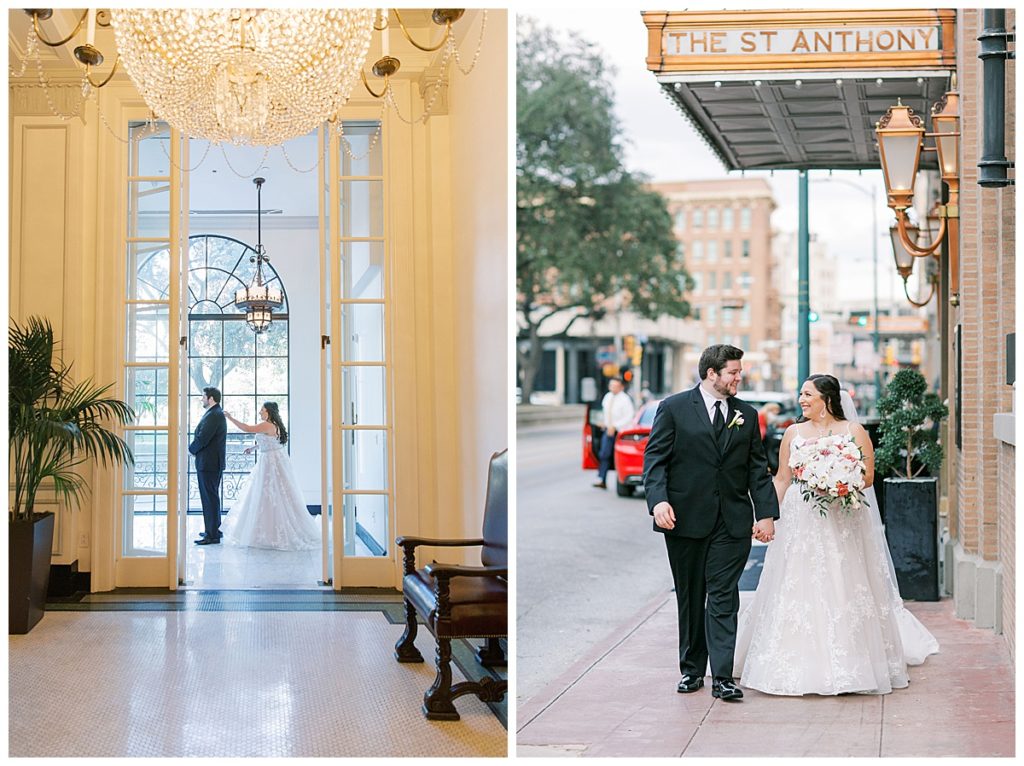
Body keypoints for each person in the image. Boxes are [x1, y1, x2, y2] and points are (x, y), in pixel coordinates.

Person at [734, 374, 939, 696]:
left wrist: (836, 481)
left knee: (842, 580)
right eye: (800, 394)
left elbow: (868, 476)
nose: (801, 400)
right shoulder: (793, 432)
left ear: (827, 400)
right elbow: (783, 479)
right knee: (795, 581)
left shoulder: (853, 431)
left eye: (808, 395)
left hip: (841, 515)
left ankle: (851, 663)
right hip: (801, 517)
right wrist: (767, 516)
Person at [642, 344, 780, 702]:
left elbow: (756, 468)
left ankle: (722, 676)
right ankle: (691, 670)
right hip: (684, 520)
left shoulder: (746, 415)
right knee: (691, 596)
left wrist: (765, 513)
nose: (739, 377)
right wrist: (658, 501)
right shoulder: (672, 409)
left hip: (732, 523)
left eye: (739, 371)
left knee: (722, 596)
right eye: (733, 372)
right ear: (711, 374)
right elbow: (655, 460)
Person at [220, 402, 320, 551]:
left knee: (270, 494)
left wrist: (230, 418)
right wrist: (253, 447)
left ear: (268, 412)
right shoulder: (274, 424)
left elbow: (247, 428)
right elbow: (270, 442)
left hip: (270, 463)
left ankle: (270, 532)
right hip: (272, 459)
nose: (260, 412)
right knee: (272, 494)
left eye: (262, 410)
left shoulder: (267, 424)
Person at [189, 387, 227, 545]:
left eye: (203, 397)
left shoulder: (214, 415)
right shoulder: (215, 413)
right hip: (211, 463)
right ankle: (213, 530)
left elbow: (203, 437)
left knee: (209, 498)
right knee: (211, 497)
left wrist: (190, 450)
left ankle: (212, 535)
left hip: (209, 464)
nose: (201, 399)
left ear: (211, 398)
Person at [592, 377, 635, 489]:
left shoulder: (625, 400)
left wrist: (615, 426)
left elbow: (629, 417)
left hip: (620, 432)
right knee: (604, 454)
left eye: (615, 386)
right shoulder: (607, 397)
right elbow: (605, 413)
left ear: (621, 387)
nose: (613, 388)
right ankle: (602, 478)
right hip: (608, 430)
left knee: (619, 457)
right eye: (611, 386)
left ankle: (621, 482)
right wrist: (604, 423)